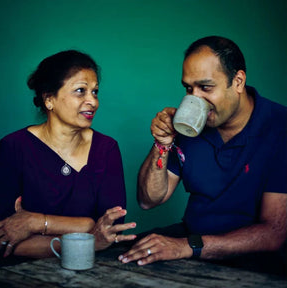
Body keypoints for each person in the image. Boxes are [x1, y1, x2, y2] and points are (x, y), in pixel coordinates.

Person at [118, 36, 287, 270]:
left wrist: (188, 246)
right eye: (189, 88)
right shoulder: (191, 126)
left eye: (205, 87)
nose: (194, 98)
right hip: (191, 236)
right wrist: (162, 144)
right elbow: (148, 200)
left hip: (251, 253)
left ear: (238, 81)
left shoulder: (279, 127)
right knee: (122, 253)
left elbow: (274, 233)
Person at [0, 50, 136, 259]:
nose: (93, 101)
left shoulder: (106, 149)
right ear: (49, 99)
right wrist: (86, 232)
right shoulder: (13, 148)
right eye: (81, 91)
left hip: (94, 269)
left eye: (95, 92)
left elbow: (109, 230)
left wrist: (34, 222)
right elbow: (5, 238)